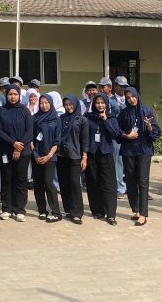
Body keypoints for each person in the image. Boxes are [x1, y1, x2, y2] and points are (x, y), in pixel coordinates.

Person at [117, 86, 160, 226]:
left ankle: (143, 214)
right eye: (128, 97)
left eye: (133, 96)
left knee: (142, 181)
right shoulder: (123, 113)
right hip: (128, 151)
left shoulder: (146, 111)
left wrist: (149, 127)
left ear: (137, 96)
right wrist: (126, 135)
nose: (131, 99)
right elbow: (118, 132)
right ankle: (135, 209)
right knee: (130, 181)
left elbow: (156, 134)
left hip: (144, 151)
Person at [0, 83, 32, 221]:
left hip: (22, 151)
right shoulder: (0, 111)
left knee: (21, 179)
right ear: (6, 95)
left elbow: (29, 131)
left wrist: (18, 147)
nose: (12, 97)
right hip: (5, 151)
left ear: (19, 95)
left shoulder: (25, 111)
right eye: (10, 94)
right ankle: (7, 208)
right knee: (6, 178)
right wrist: (13, 144)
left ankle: (19, 209)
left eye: (15, 94)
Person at [84, 93, 120, 225]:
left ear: (106, 104)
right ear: (94, 104)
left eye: (102, 102)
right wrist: (85, 154)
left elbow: (115, 135)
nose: (100, 105)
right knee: (93, 182)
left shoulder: (111, 118)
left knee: (108, 184)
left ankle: (111, 214)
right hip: (92, 154)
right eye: (97, 103)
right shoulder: (88, 117)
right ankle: (97, 210)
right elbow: (84, 135)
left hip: (106, 154)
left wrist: (105, 120)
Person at [57, 94, 89, 224]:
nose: (68, 107)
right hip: (61, 155)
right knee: (64, 183)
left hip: (75, 156)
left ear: (75, 104)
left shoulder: (82, 120)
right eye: (66, 105)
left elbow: (85, 140)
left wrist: (84, 157)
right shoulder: (61, 118)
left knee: (75, 184)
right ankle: (68, 209)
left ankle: (77, 213)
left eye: (70, 104)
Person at [31, 94, 61, 222]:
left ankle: (56, 212)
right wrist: (36, 155)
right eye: (42, 103)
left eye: (46, 102)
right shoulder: (35, 118)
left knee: (48, 182)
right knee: (38, 183)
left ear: (51, 103)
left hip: (50, 156)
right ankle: (42, 210)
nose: (44, 105)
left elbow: (57, 141)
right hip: (36, 156)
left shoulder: (56, 119)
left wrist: (49, 155)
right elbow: (30, 138)